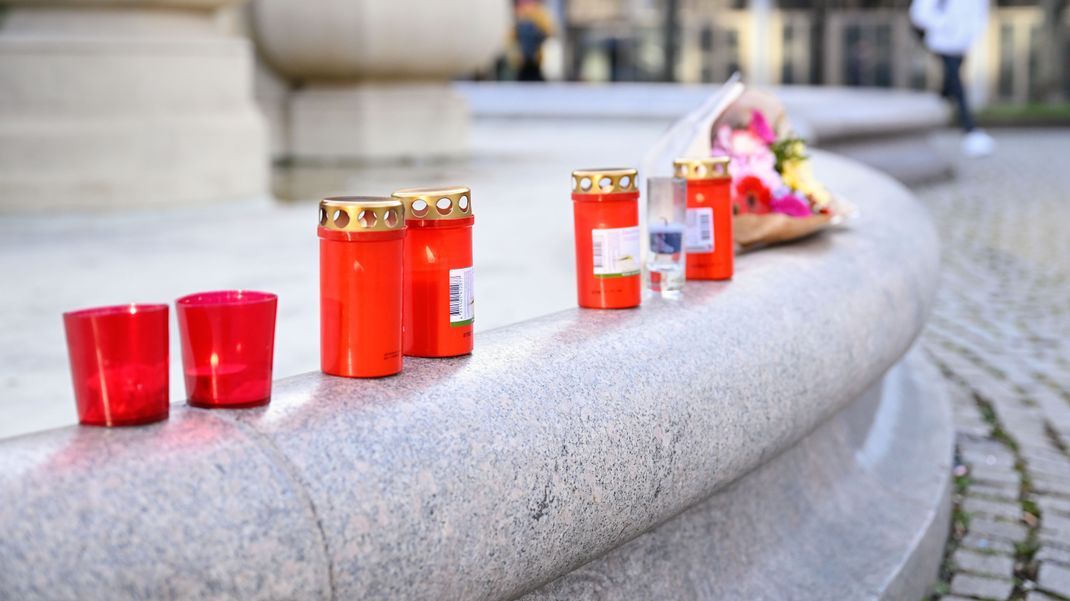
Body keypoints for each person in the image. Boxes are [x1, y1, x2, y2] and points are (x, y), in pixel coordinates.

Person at [910, 0, 996, 157]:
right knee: (956, 81)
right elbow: (920, 14)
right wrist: (946, 24)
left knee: (950, 85)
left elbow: (979, 13)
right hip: (943, 41)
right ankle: (970, 129)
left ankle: (932, 111)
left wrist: (970, 33)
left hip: (963, 41)